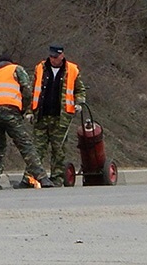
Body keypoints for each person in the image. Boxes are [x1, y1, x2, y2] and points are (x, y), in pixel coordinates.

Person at [0, 53, 53, 189]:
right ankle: (42, 178)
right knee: (25, 145)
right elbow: (26, 90)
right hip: (9, 109)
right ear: (10, 62)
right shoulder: (15, 69)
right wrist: (23, 109)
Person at [30, 43, 87, 187]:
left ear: (62, 55)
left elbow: (80, 90)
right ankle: (32, 178)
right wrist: (30, 111)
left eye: (55, 56)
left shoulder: (72, 70)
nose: (53, 59)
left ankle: (57, 178)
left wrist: (79, 103)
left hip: (61, 117)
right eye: (51, 56)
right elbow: (32, 91)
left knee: (59, 149)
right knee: (37, 148)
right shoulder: (40, 68)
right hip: (41, 116)